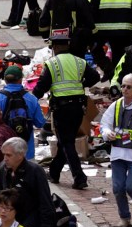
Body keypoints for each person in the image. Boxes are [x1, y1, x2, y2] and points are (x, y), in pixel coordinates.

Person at [35, 31, 100, 190]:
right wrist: (80, 83)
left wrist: (32, 97)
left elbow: (41, 87)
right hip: (78, 107)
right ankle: (55, 172)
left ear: (54, 46)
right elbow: (95, 77)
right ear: (68, 45)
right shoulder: (79, 62)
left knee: (67, 142)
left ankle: (79, 177)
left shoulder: (52, 63)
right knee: (66, 141)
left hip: (62, 108)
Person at [101, 74, 132, 227]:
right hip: (118, 152)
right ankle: (124, 218)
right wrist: (108, 133)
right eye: (123, 86)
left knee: (131, 186)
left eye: (129, 87)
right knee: (118, 187)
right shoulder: (116, 105)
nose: (124, 89)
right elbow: (104, 124)